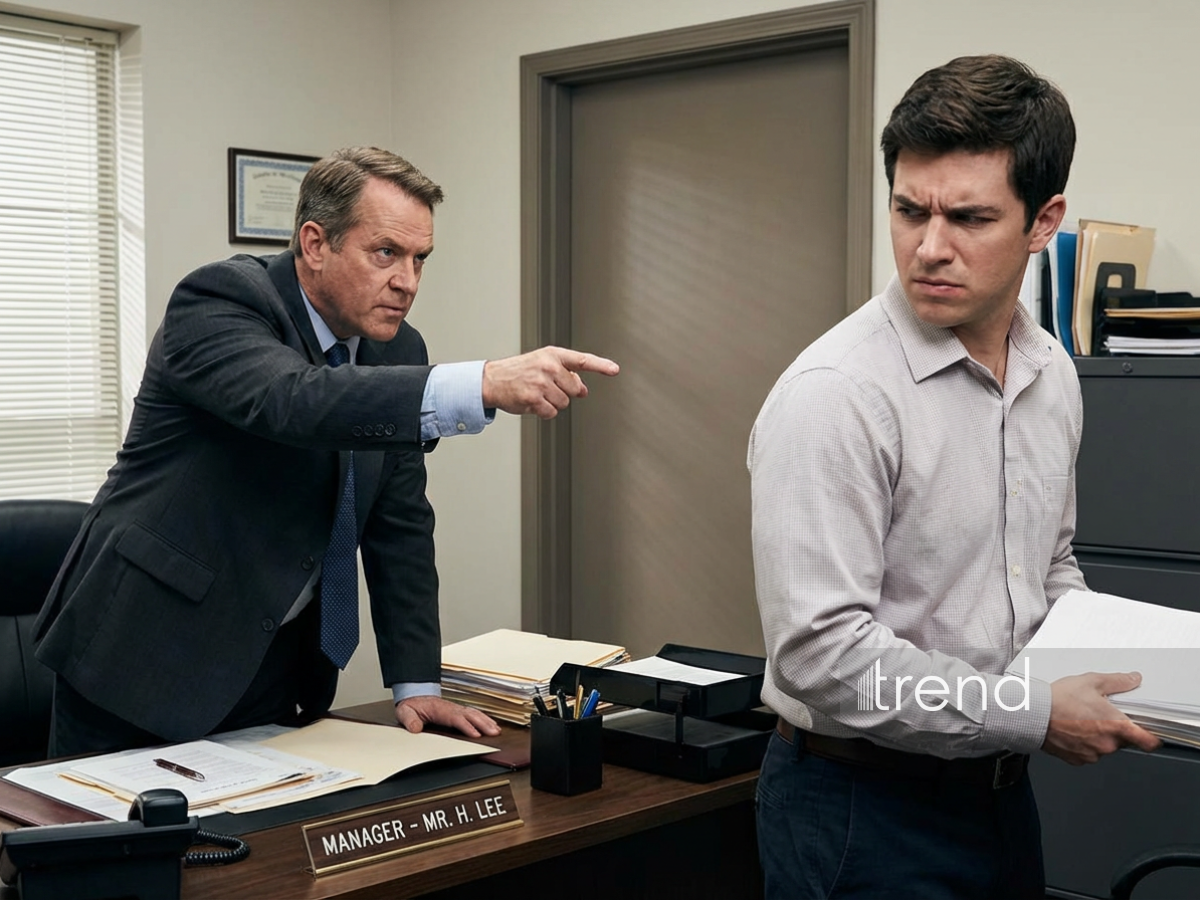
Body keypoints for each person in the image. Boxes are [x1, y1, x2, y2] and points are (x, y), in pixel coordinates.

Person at [34, 146, 618, 757]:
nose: (408, 281)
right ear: (315, 244)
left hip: (274, 667)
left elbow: (398, 521)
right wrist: (482, 383)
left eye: (420, 258)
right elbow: (293, 400)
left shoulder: (398, 349)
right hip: (139, 656)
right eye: (386, 253)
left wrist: (415, 681)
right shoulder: (220, 301)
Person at [748, 56, 1160, 899]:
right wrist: (1035, 713)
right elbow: (819, 654)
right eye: (910, 211)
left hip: (998, 797)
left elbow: (1047, 567)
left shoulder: (1050, 374)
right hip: (857, 808)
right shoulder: (836, 394)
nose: (930, 249)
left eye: (969, 218)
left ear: (1044, 221)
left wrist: (1140, 674)